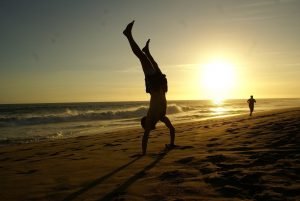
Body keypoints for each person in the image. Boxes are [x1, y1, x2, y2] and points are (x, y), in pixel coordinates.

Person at [123, 20, 175, 155]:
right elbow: (171, 128)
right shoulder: (161, 116)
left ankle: (129, 36)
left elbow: (145, 136)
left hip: (154, 85)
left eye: (146, 125)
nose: (148, 127)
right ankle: (143, 47)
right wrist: (172, 144)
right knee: (153, 63)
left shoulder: (152, 116)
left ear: (146, 122)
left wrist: (143, 153)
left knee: (142, 57)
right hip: (160, 86)